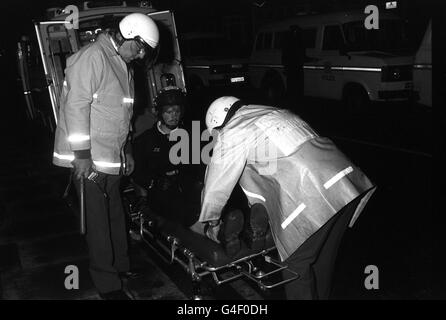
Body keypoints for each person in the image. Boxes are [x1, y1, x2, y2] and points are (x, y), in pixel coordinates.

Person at [190, 96, 377, 299]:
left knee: (295, 266)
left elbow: (216, 185)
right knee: (321, 262)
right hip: (347, 184)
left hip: (315, 193)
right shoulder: (274, 112)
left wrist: (211, 221)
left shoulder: (233, 131)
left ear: (217, 126)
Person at [52, 13, 160, 300]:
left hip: (111, 156)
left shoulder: (121, 64)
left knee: (115, 214)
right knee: (97, 223)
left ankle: (120, 266)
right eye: (138, 48)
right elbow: (75, 107)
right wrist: (82, 156)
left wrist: (126, 150)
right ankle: (107, 284)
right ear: (127, 34)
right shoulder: (92, 57)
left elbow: (122, 114)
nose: (139, 56)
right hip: (90, 158)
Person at [132, 87, 198, 227]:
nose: (174, 115)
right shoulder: (146, 140)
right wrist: (155, 182)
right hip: (159, 193)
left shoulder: (191, 136)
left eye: (177, 111)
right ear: (160, 113)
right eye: (169, 112)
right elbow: (137, 173)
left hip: (187, 189)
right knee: (178, 208)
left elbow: (198, 166)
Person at [281, 25, 306, 109]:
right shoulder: (292, 41)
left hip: (295, 68)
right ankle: (293, 105)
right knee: (294, 89)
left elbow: (285, 56)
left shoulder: (296, 41)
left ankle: (295, 105)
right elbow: (285, 56)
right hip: (293, 69)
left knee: (295, 89)